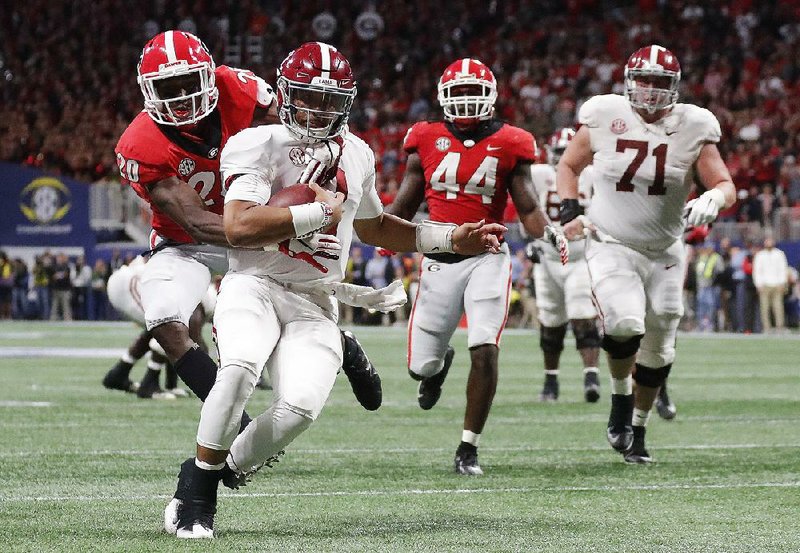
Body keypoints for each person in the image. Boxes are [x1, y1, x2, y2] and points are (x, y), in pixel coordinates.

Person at [168, 42, 507, 539]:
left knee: (299, 409)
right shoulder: (255, 143)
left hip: (316, 298)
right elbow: (238, 227)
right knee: (239, 369)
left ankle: (213, 473)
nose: (319, 110)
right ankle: (197, 497)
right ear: (285, 94)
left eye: (331, 100)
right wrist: (314, 214)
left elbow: (375, 229)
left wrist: (451, 237)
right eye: (308, 97)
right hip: (255, 283)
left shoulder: (358, 152)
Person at [110, 31, 379, 409]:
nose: (183, 97)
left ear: (209, 74)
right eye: (169, 88)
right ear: (147, 91)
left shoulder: (237, 88)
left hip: (259, 220)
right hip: (192, 245)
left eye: (190, 82)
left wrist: (325, 166)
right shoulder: (140, 144)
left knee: (291, 338)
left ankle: (339, 342)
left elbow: (299, 128)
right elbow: (197, 223)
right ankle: (234, 426)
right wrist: (287, 228)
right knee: (165, 320)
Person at [557, 45, 736, 463]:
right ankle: (621, 401)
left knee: (661, 344)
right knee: (623, 322)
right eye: (645, 80)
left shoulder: (694, 124)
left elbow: (725, 182)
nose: (651, 91)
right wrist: (569, 207)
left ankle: (638, 427)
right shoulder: (604, 114)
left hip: (667, 249)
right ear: (629, 81)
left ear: (674, 87)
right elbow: (569, 166)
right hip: (612, 242)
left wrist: (715, 198)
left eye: (660, 82)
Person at [387, 58, 549, 476]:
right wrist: (384, 235)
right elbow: (406, 201)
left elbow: (528, 206)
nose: (465, 101)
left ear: (492, 97)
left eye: (472, 92)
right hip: (439, 261)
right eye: (457, 93)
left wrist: (549, 234)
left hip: (488, 257)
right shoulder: (424, 136)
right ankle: (437, 368)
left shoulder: (512, 141)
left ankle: (468, 447)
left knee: (486, 347)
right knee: (419, 367)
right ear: (443, 98)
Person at [529, 127, 600, 403]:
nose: (564, 158)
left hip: (581, 255)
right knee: (550, 322)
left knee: (583, 316)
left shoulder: (593, 175)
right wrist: (531, 242)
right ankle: (551, 381)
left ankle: (591, 377)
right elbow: (525, 205)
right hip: (547, 256)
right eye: (560, 152)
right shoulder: (539, 175)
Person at [753, 236, 789, 332]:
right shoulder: (760, 255)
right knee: (764, 307)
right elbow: (757, 270)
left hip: (777, 284)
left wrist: (782, 283)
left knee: (778, 307)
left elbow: (783, 268)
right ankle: (766, 327)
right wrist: (758, 284)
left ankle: (779, 326)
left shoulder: (779, 254)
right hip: (764, 284)